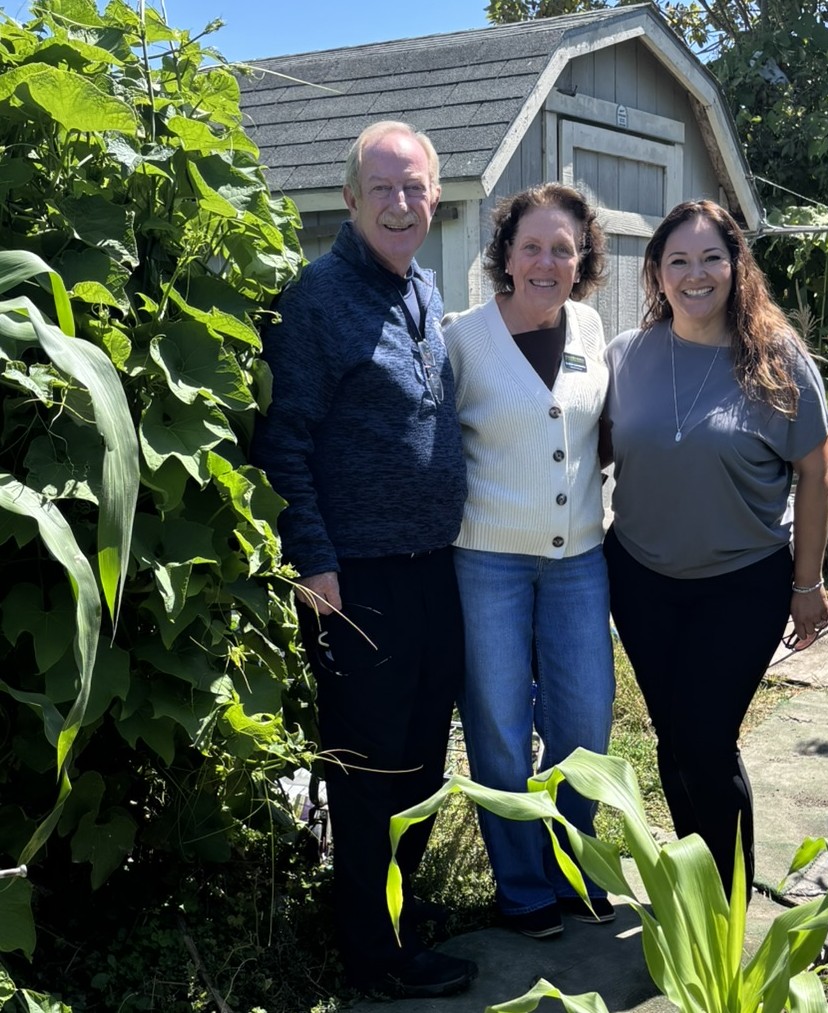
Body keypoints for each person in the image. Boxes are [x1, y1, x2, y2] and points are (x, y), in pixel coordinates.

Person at [251, 121, 478, 998]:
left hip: (433, 568)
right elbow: (284, 442)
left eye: (414, 187)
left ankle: (391, 914)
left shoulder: (422, 287)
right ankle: (373, 956)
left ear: (435, 197)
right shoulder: (317, 300)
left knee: (422, 757)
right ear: (349, 199)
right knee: (369, 766)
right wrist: (314, 561)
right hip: (356, 578)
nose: (400, 203)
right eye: (382, 188)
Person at [601, 199, 828, 899]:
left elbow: (817, 470)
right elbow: (589, 449)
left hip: (742, 584)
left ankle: (728, 903)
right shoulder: (627, 355)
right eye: (678, 260)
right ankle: (695, 889)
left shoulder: (776, 359)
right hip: (641, 580)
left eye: (710, 258)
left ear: (736, 267)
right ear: (656, 273)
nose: (694, 274)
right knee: (673, 737)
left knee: (705, 737)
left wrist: (808, 582)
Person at [441, 183, 615, 940]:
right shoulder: (463, 339)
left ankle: (571, 863)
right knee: (500, 727)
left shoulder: (591, 327)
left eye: (563, 249)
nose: (547, 262)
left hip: (579, 560)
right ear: (506, 256)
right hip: (487, 562)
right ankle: (521, 889)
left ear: (583, 260)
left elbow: (595, 432)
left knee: (586, 722)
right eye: (532, 247)